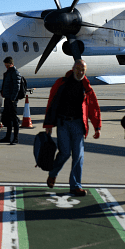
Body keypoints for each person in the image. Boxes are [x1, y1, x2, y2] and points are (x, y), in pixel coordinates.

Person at [44, 60, 101, 196]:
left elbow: (93, 107)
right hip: (63, 123)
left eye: (83, 70)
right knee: (64, 153)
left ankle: (75, 186)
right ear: (73, 68)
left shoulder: (86, 87)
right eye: (78, 69)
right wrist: (48, 125)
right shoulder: (62, 83)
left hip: (77, 124)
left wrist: (97, 126)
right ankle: (53, 173)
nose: (80, 72)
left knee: (78, 155)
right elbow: (51, 102)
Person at [0, 56, 22, 145]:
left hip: (12, 99)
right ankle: (8, 137)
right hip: (7, 98)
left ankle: (15, 138)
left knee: (14, 118)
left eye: (7, 65)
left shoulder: (15, 73)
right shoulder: (8, 72)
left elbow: (17, 87)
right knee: (8, 118)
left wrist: (13, 99)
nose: (6, 66)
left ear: (11, 64)